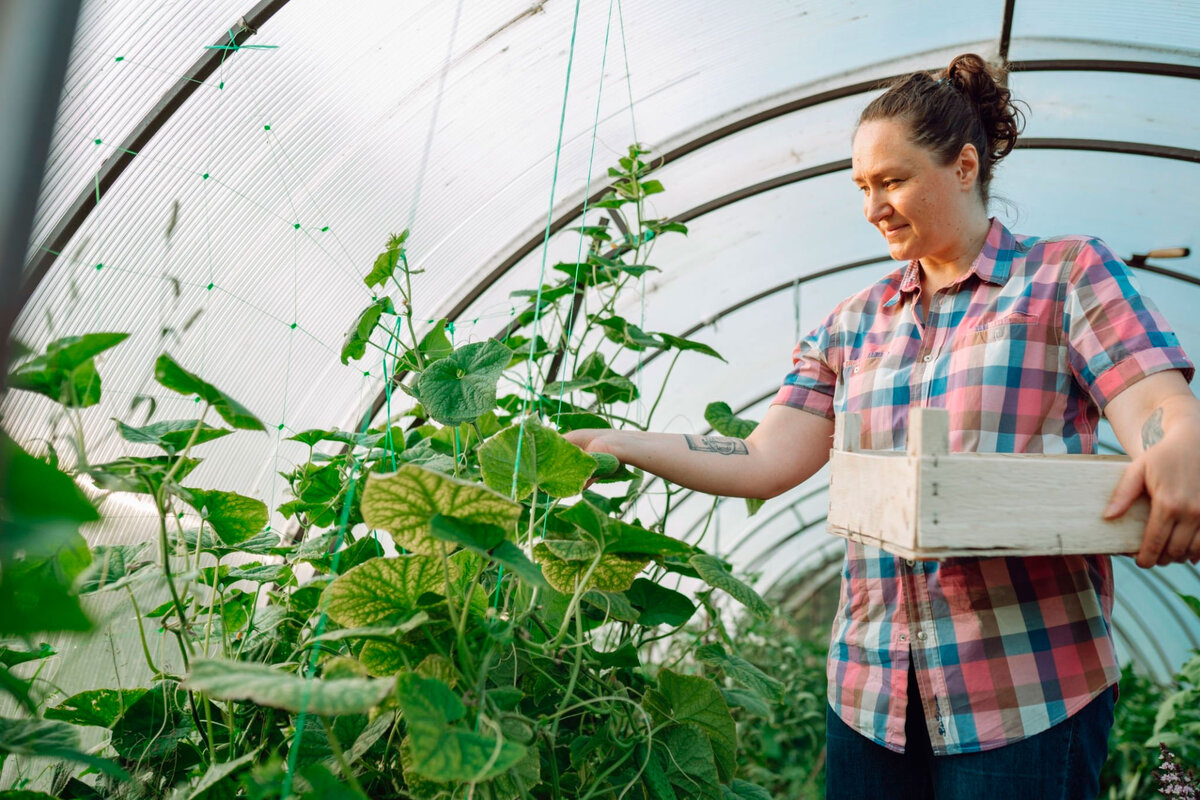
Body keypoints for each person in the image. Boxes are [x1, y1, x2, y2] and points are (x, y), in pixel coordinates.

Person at [565, 53, 1200, 799]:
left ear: (964, 167)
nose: (874, 206)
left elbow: (1152, 403)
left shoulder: (1064, 278)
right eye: (863, 188)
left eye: (892, 181)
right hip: (871, 696)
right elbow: (764, 457)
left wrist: (1181, 438)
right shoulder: (852, 324)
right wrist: (620, 443)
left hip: (1024, 692)